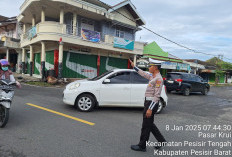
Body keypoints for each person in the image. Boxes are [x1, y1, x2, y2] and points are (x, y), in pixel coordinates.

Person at [130, 58, 166, 152]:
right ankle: (161, 140)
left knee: (146, 126)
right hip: (148, 103)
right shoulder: (153, 76)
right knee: (149, 124)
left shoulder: (158, 79)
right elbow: (144, 74)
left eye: (150, 66)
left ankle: (142, 146)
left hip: (151, 104)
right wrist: (135, 67)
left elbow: (156, 96)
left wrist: (150, 109)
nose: (149, 67)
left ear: (155, 67)